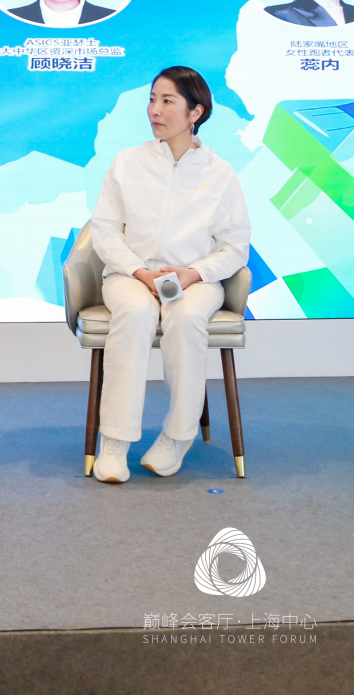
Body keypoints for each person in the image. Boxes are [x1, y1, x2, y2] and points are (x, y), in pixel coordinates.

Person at [88, 66, 251, 484]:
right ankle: (114, 442)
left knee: (187, 316)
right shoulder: (127, 162)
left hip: (195, 280)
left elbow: (235, 247)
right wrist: (140, 271)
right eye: (152, 99)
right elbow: (105, 231)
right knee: (136, 313)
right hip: (130, 275)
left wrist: (195, 273)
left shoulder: (220, 173)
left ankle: (178, 437)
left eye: (167, 101)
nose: (154, 110)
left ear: (196, 112)